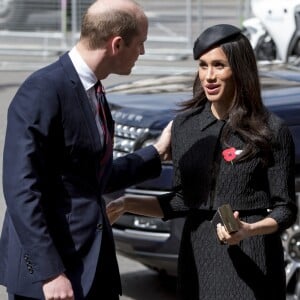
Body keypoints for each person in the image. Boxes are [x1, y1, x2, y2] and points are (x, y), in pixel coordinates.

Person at [106, 24, 298, 300]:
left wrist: (249, 230)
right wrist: (127, 204)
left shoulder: (271, 129)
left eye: (219, 66)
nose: (209, 76)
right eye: (203, 65)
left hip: (253, 258)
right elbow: (184, 200)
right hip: (198, 258)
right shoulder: (186, 126)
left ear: (240, 70)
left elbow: (285, 209)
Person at [0, 0, 172, 299]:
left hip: (91, 268)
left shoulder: (93, 89)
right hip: (53, 279)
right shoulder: (43, 90)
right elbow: (21, 189)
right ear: (117, 44)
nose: (142, 53)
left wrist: (155, 153)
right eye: (140, 44)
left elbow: (92, 176)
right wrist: (50, 272)